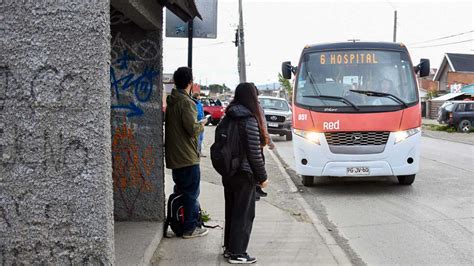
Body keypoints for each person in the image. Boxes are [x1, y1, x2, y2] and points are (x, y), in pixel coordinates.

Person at [222, 82, 268, 264]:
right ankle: (238, 253)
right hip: (244, 173)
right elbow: (254, 154)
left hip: (228, 171)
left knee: (232, 211)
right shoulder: (248, 119)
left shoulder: (229, 116)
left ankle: (229, 248)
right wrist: (263, 177)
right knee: (244, 214)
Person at [165, 67, 208, 239]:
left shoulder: (172, 101)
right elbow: (192, 129)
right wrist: (203, 123)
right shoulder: (186, 102)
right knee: (191, 194)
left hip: (175, 156)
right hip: (187, 157)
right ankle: (189, 228)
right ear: (190, 82)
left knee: (182, 192)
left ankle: (180, 224)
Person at [254, 87, 273, 201]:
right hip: (256, 143)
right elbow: (263, 126)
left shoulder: (235, 107)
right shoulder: (256, 107)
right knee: (257, 164)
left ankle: (256, 188)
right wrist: (269, 141)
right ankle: (256, 189)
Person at [192, 92, 206, 157]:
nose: (200, 97)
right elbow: (196, 113)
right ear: (197, 96)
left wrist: (204, 119)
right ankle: (197, 152)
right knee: (198, 138)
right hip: (198, 122)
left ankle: (199, 151)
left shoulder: (198, 103)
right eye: (199, 95)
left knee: (201, 138)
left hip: (201, 122)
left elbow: (201, 112)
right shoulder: (194, 103)